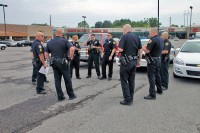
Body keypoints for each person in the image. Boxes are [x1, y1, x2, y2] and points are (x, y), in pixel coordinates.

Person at [45, 28, 76, 101]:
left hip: (54, 63)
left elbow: (46, 53)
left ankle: (60, 96)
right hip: (63, 62)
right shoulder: (64, 41)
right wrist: (71, 57)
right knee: (67, 79)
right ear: (61, 34)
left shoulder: (50, 42)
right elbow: (72, 48)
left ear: (55, 34)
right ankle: (71, 95)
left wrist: (49, 60)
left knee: (57, 80)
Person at [118, 24, 142, 105]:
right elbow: (140, 50)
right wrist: (139, 60)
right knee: (132, 80)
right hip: (134, 61)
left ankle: (127, 99)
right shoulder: (136, 37)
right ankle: (131, 97)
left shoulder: (124, 37)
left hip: (126, 62)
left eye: (122, 30)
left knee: (124, 80)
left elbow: (120, 49)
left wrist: (119, 49)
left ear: (125, 29)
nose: (122, 31)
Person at [142, 28, 164, 100]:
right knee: (157, 75)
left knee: (151, 77)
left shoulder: (152, 40)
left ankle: (152, 94)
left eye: (150, 32)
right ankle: (160, 90)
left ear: (153, 32)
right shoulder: (160, 39)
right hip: (158, 59)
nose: (149, 34)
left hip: (152, 61)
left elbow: (147, 51)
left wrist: (143, 48)